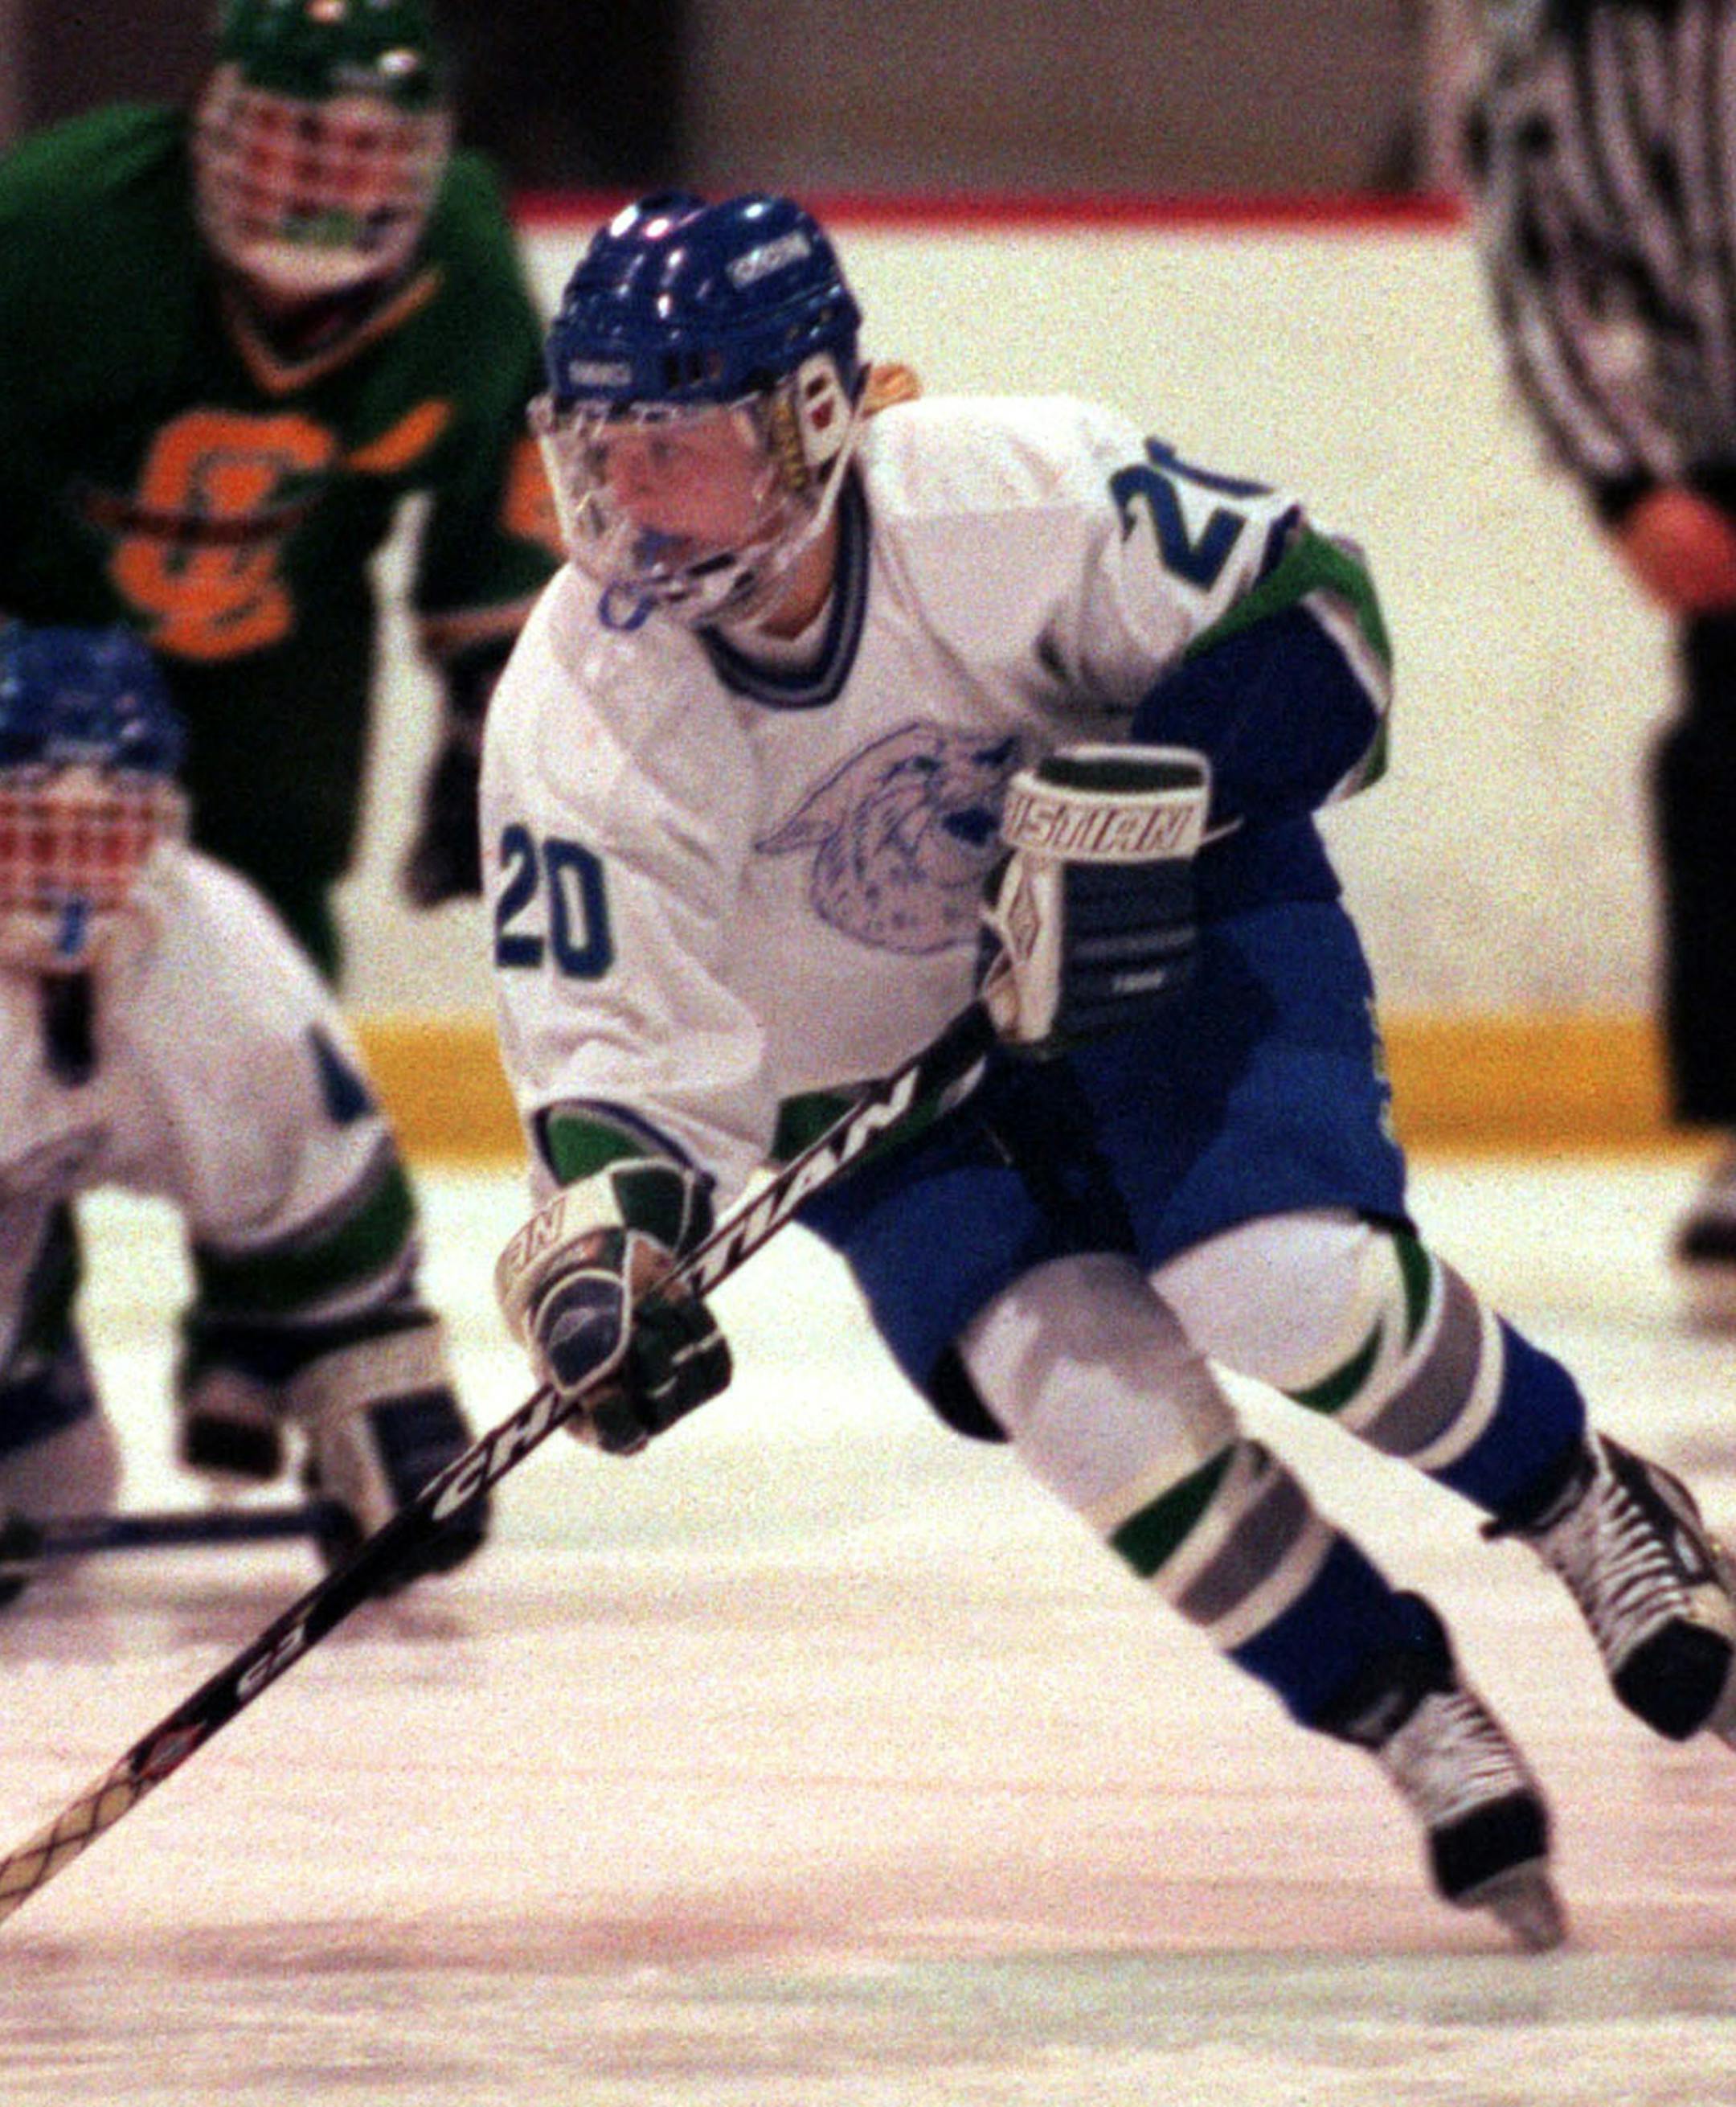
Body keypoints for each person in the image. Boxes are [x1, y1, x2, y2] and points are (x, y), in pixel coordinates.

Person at [481, 191, 1736, 1953]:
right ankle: (1393, 1699)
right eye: (597, 446)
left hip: (1162, 947)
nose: (621, 498)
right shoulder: (575, 708)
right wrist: (611, 1257)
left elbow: (1327, 627)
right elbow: (612, 1059)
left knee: (1272, 1280)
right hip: (876, 1103)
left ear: (817, 417)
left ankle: (1584, 1499)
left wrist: (1150, 803)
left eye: (672, 444)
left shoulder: (1006, 494)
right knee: (1085, 1401)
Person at [0, 0, 562, 976]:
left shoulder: (462, 264)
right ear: (207, 114)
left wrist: (490, 713)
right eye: (296, 134)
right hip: (46, 620)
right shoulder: (59, 226)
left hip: (283, 644)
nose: (329, 181)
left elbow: (505, 482)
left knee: (270, 926)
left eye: (372, 147)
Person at [0, 621, 489, 1604]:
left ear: (162, 823)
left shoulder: (214, 946)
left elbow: (311, 1189)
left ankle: (232, 1349)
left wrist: (366, 1378)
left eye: (106, 830)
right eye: (27, 828)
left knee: (66, 1493)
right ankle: (30, 1348)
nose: (66, 875)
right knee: (52, 1482)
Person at [1463, 0, 1736, 1315]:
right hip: (1718, 461)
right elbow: (1538, 286)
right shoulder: (1547, 57)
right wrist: (1630, 486)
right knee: (1726, 778)